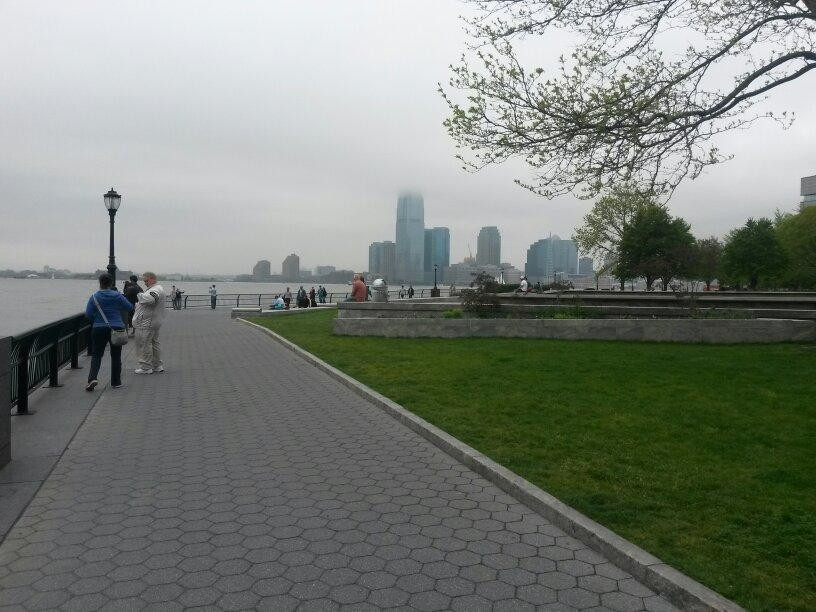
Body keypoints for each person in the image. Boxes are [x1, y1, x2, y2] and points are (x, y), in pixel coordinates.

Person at [84, 273, 134, 391]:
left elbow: (89, 314)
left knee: (96, 355)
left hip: (98, 328)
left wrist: (97, 319)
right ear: (111, 283)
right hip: (116, 327)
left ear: (100, 283)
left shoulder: (94, 297)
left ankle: (92, 379)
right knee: (116, 355)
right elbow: (129, 307)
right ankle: (116, 382)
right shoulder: (117, 296)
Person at [133, 272, 167, 374]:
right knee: (154, 343)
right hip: (154, 321)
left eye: (146, 281)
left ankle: (145, 367)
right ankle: (157, 365)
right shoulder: (158, 289)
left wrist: (138, 293)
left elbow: (150, 299)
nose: (145, 283)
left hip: (147, 323)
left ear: (152, 279)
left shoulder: (155, 290)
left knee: (144, 343)